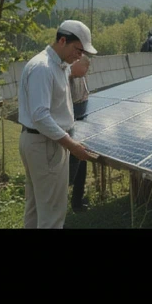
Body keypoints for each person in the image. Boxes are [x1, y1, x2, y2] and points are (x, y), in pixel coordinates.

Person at [17, 20, 96, 228]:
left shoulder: (59, 66)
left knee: (36, 206)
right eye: (78, 50)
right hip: (46, 145)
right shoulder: (43, 68)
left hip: (41, 144)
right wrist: (72, 145)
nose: (80, 56)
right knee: (52, 214)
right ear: (62, 40)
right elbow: (40, 116)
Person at [68, 51, 90, 213]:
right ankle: (64, 201)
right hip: (71, 116)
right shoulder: (64, 75)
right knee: (70, 160)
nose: (87, 69)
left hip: (81, 113)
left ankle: (77, 200)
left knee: (81, 158)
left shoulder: (80, 74)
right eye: (85, 66)